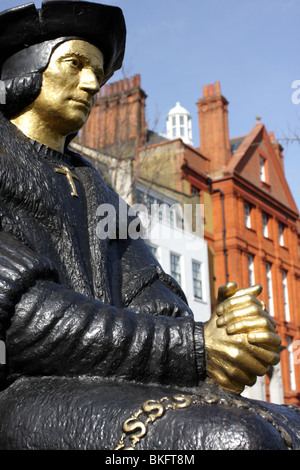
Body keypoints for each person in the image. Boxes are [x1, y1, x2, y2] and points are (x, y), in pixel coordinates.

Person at [0, 1, 298, 451]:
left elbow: (153, 292)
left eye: (97, 73)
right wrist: (196, 347)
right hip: (20, 389)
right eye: (75, 63)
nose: (91, 83)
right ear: (26, 68)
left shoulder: (92, 182)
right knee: (236, 440)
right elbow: (30, 318)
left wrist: (224, 333)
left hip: (111, 382)